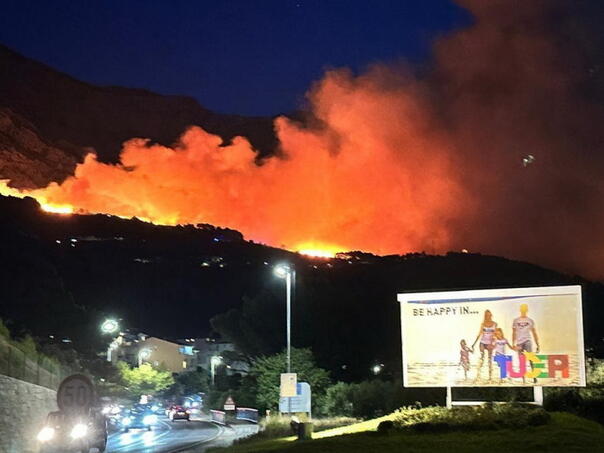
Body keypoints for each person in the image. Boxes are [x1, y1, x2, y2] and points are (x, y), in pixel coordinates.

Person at [512, 303, 540, 383]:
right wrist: (513, 343)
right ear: (520, 310)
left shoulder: (530, 321)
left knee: (530, 358)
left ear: (527, 310)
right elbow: (513, 333)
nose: (523, 310)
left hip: (527, 341)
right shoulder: (516, 320)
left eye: (525, 309)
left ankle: (534, 377)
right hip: (519, 343)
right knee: (521, 361)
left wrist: (537, 344)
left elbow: (534, 333)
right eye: (522, 309)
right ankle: (523, 379)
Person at [472, 309, 498, 382]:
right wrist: (474, 344)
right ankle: (478, 375)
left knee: (489, 360)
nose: (488, 317)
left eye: (489, 315)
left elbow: (495, 335)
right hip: (482, 342)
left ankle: (490, 377)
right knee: (482, 359)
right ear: (485, 316)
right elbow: (479, 334)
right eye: (487, 315)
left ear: (491, 315)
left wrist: (493, 343)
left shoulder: (495, 324)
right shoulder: (483, 324)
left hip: (490, 344)